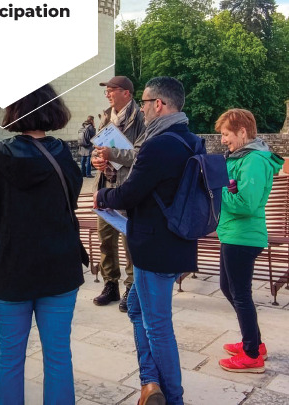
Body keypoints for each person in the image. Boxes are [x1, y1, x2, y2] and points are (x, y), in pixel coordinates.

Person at [0, 84, 88, 405]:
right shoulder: (62, 153)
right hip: (58, 262)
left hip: (10, 264)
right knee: (58, 355)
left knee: (10, 355)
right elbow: (73, 195)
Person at [96, 76, 200, 405]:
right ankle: (150, 383)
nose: (141, 108)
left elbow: (130, 193)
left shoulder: (157, 144)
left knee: (157, 325)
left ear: (158, 104)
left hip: (154, 247)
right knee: (137, 309)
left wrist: (101, 195)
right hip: (177, 241)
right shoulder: (192, 140)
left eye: (144, 102)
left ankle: (173, 397)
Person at [214, 109, 283, 373]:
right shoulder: (243, 157)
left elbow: (246, 203)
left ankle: (252, 354)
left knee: (240, 293)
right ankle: (254, 342)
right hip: (233, 233)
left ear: (242, 132)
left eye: (226, 134)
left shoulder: (253, 160)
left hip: (242, 236)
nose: (223, 140)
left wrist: (216, 190)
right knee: (228, 288)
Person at [91, 76, 145, 311]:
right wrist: (96, 160)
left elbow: (140, 156)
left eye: (112, 90)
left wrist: (111, 154)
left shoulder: (141, 118)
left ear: (127, 93)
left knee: (128, 241)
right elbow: (97, 151)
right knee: (106, 240)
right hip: (105, 185)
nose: (108, 94)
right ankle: (110, 284)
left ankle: (131, 287)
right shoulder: (105, 117)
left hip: (126, 188)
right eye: (107, 91)